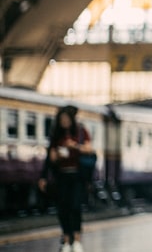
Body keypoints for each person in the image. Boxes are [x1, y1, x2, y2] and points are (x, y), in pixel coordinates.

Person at [38, 105, 92, 252]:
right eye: (62, 119)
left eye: (66, 119)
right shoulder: (56, 135)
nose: (64, 122)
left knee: (75, 207)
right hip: (61, 176)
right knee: (63, 209)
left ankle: (77, 240)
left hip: (77, 176)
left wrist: (74, 146)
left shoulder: (81, 131)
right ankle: (67, 240)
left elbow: (89, 149)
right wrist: (43, 176)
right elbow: (50, 157)